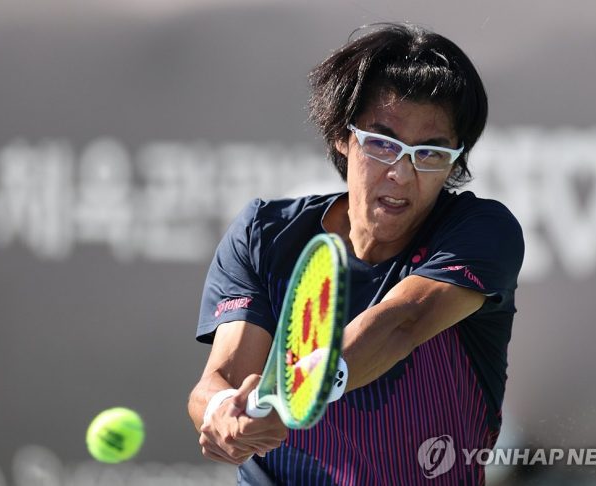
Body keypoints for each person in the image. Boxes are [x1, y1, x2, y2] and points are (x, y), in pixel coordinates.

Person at [188, 22, 524, 485]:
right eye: (382, 144)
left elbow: (401, 322)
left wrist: (298, 393)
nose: (401, 174)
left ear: (455, 160)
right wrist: (225, 411)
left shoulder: (482, 231)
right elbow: (221, 378)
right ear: (341, 137)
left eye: (429, 153)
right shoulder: (265, 233)